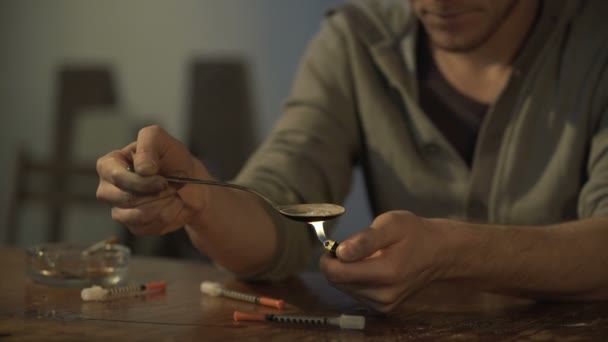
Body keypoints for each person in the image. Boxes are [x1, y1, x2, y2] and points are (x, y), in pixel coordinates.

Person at [96, 0, 608, 312]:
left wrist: (451, 251)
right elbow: (281, 202)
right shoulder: (355, 42)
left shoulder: (594, 41)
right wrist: (199, 199)